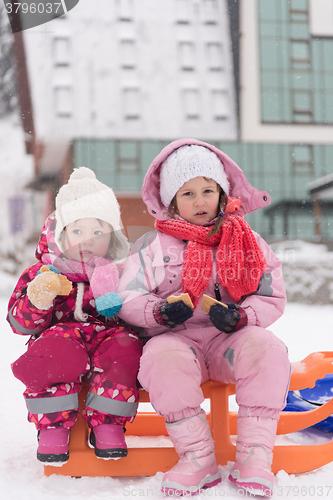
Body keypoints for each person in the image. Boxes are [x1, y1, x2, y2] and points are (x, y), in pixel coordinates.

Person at [117, 139, 291, 496]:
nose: (199, 201)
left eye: (207, 190)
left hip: (231, 341)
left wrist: (243, 317)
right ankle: (197, 456)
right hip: (178, 340)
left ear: (222, 193)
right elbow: (127, 294)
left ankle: (255, 455)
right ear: (171, 202)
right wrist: (158, 311)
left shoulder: (249, 241)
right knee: (161, 358)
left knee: (267, 349)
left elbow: (271, 292)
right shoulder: (151, 246)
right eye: (188, 194)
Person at [7, 167, 142, 464]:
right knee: (53, 351)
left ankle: (108, 423)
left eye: (98, 232)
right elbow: (19, 323)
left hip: (107, 336)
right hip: (62, 336)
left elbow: (139, 307)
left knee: (126, 348)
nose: (88, 240)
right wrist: (38, 299)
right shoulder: (42, 273)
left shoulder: (120, 272)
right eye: (78, 231)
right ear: (60, 234)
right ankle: (52, 428)